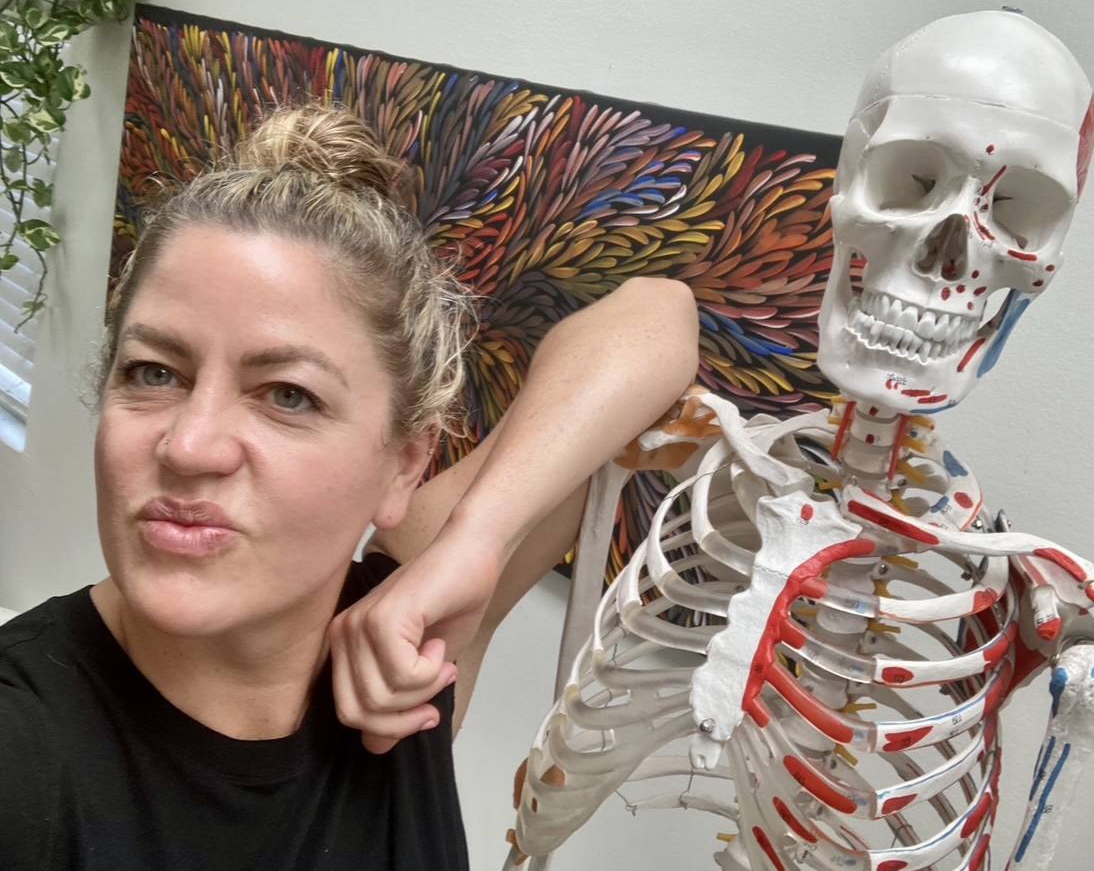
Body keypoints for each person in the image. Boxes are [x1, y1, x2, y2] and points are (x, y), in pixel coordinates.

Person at [0, 105, 699, 869]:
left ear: (403, 466)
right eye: (154, 373)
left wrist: (475, 541)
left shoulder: (405, 656)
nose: (189, 445)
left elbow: (658, 314)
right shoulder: (24, 749)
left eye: (287, 394)